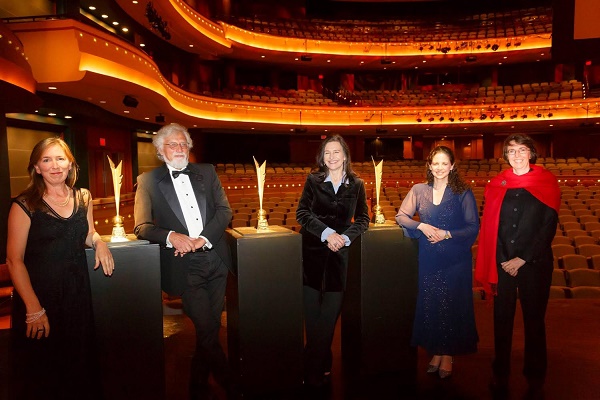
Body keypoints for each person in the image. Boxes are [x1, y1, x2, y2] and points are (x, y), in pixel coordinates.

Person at [133, 123, 237, 399]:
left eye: (183, 144)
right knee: (206, 327)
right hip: (184, 265)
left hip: (215, 259)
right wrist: (172, 236)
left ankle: (197, 383)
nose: (179, 149)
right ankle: (231, 384)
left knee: (210, 326)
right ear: (160, 150)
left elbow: (225, 211)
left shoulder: (207, 171)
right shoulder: (148, 181)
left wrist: (203, 238)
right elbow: (141, 226)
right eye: (172, 144)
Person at [6, 137, 114, 399]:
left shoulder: (83, 196)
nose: (54, 165)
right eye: (46, 159)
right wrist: (33, 308)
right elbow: (14, 260)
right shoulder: (24, 204)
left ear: (70, 164)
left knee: (78, 368)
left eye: (60, 158)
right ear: (37, 167)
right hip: (40, 298)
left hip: (77, 297)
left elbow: (87, 232)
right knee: (43, 374)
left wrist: (99, 241)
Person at [475, 134, 560, 400]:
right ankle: (500, 372)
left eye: (522, 150)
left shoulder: (547, 182)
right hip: (503, 263)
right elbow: (492, 227)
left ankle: (535, 376)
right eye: (512, 151)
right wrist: (505, 260)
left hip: (534, 264)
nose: (517, 154)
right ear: (506, 156)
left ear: (532, 153)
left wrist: (522, 258)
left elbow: (548, 227)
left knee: (534, 321)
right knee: (502, 322)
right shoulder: (497, 183)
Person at [395, 145, 479, 379]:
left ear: (452, 166)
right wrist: (420, 225)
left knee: (451, 305)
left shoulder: (463, 192)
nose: (440, 168)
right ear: (429, 166)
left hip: (455, 259)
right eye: (436, 163)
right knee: (433, 304)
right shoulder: (419, 189)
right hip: (429, 258)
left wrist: (447, 233)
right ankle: (437, 350)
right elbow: (401, 216)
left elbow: (473, 227)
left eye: (445, 163)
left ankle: (448, 354)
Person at [296, 134, 370, 388]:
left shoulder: (357, 184)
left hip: (340, 257)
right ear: (322, 157)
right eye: (327, 153)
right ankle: (322, 362)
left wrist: (344, 239)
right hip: (312, 255)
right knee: (313, 317)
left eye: (336, 152)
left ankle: (310, 368)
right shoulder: (313, 180)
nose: (332, 157)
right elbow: (302, 212)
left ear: (346, 155)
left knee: (328, 318)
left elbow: (363, 219)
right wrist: (327, 233)